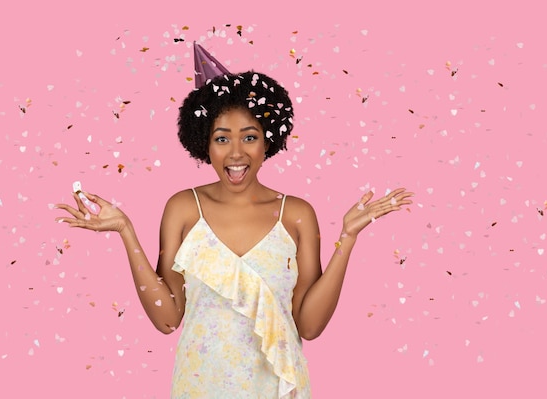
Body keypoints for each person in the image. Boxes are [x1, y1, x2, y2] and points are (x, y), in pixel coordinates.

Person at [55, 51, 413, 398]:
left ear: (267, 141)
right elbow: (167, 320)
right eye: (222, 138)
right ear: (204, 144)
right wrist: (126, 231)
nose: (237, 152)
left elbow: (309, 326)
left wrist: (347, 238)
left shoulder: (296, 215)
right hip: (199, 388)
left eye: (250, 136)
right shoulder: (183, 208)